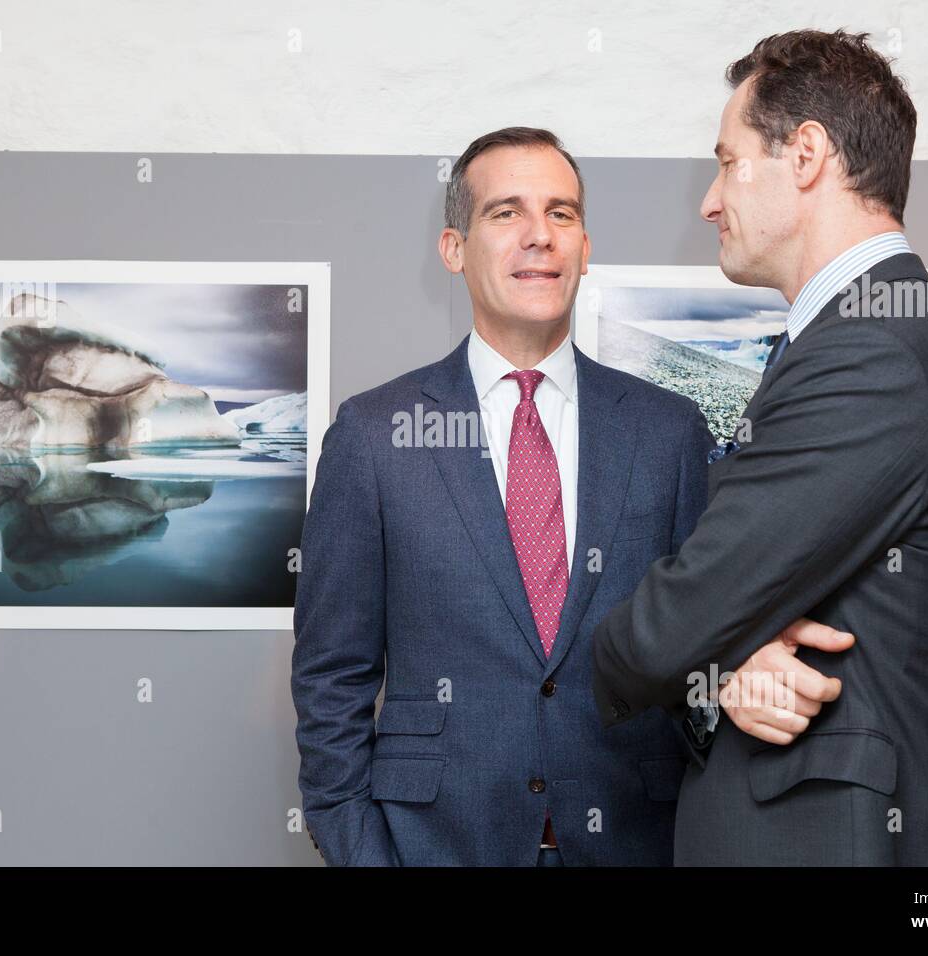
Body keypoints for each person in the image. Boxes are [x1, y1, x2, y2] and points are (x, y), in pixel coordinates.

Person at [291, 126, 848, 866]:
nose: (539, 237)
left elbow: (699, 640)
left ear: (584, 247)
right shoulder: (374, 434)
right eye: (506, 213)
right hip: (434, 844)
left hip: (635, 838)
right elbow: (332, 675)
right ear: (454, 249)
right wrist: (362, 852)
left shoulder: (667, 431)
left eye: (561, 214)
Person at [592, 30, 928, 866]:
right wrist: (732, 659)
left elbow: (656, 636)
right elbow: (762, 591)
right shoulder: (865, 336)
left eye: (727, 161)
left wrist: (689, 644)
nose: (710, 201)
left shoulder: (871, 354)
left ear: (808, 153)